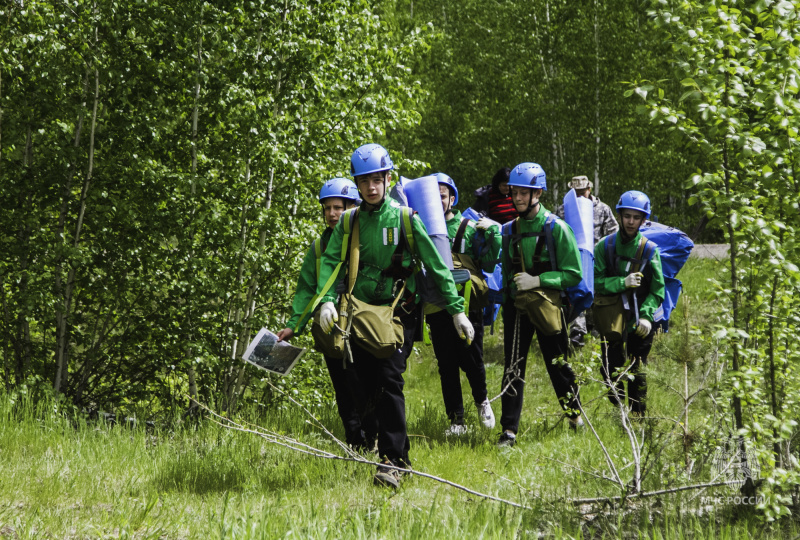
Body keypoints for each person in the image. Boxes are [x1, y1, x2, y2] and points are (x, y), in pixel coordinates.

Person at [316, 144, 474, 488]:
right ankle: (398, 450)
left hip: (400, 311)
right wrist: (326, 301)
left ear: (388, 178)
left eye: (377, 179)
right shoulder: (349, 221)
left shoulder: (405, 219)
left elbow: (437, 265)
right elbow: (330, 263)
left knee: (389, 380)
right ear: (357, 185)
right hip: (359, 313)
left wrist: (457, 311)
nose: (371, 187)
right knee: (362, 383)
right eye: (364, 181)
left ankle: (392, 462)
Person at [276, 178, 377, 450]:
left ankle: (374, 437)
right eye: (327, 208)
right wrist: (292, 327)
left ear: (353, 207)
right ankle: (355, 442)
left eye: (338, 208)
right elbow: (306, 289)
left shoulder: (366, 239)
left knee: (362, 383)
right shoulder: (318, 248)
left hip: (364, 323)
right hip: (331, 325)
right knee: (342, 387)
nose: (332, 214)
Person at [497, 162, 584, 447]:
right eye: (515, 192)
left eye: (525, 192)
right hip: (518, 307)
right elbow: (506, 272)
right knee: (513, 366)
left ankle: (574, 415)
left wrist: (538, 281)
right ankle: (508, 431)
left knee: (557, 364)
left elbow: (574, 274)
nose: (519, 198)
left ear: (539, 194)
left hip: (549, 305)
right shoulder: (509, 230)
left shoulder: (557, 229)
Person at [427, 173, 501, 436]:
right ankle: (457, 421)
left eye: (443, 195)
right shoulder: (423, 229)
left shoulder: (469, 227)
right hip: (437, 305)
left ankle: (482, 401)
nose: (438, 200)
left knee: (472, 359)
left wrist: (494, 233)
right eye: (432, 196)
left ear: (452, 198)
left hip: (468, 306)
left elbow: (490, 263)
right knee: (446, 364)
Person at [594, 190, 665, 416]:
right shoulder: (604, 246)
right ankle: (619, 409)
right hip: (611, 316)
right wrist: (621, 282)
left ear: (644, 219)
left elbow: (657, 289)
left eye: (636, 217)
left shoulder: (650, 250)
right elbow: (595, 281)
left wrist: (646, 315)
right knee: (609, 368)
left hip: (640, 318)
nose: (631, 222)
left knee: (638, 368)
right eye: (627, 216)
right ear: (620, 216)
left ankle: (637, 417)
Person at [556, 175, 619, 347]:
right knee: (577, 292)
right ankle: (577, 331)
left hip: (597, 257)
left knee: (597, 292)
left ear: (589, 190)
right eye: (575, 193)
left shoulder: (602, 209)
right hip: (573, 257)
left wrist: (605, 252)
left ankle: (596, 326)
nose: (579, 196)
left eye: (582, 192)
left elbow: (613, 232)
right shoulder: (564, 209)